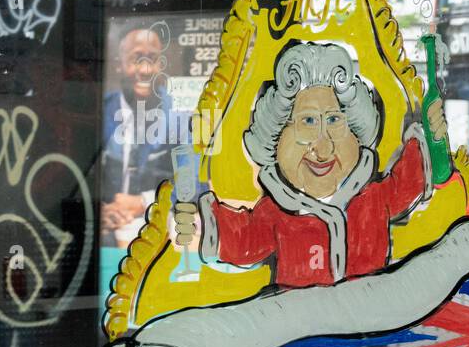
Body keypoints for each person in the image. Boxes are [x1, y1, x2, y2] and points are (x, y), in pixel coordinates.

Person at [174, 41, 447, 288]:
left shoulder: (373, 198)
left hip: (373, 333)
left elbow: (410, 180)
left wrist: (432, 137)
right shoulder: (278, 213)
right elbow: (245, 238)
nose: (323, 147)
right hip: (302, 334)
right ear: (276, 140)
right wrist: (201, 225)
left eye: (334, 121)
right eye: (306, 123)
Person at [101, 25, 177, 246]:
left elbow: (195, 184)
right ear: (119, 65)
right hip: (109, 229)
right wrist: (99, 210)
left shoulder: (177, 115)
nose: (145, 70)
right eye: (137, 58)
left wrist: (143, 201)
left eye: (152, 59)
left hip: (157, 225)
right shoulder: (100, 111)